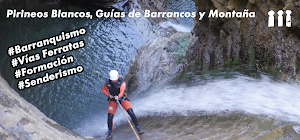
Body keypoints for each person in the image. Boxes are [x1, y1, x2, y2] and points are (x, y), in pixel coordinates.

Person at [102, 70, 144, 139]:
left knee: (131, 112)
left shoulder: (122, 82)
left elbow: (121, 91)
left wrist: (118, 97)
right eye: (112, 80)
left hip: (122, 98)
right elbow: (103, 89)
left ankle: (138, 128)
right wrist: (109, 95)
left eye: (115, 80)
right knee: (110, 117)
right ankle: (110, 133)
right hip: (113, 99)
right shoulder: (107, 83)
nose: (114, 81)